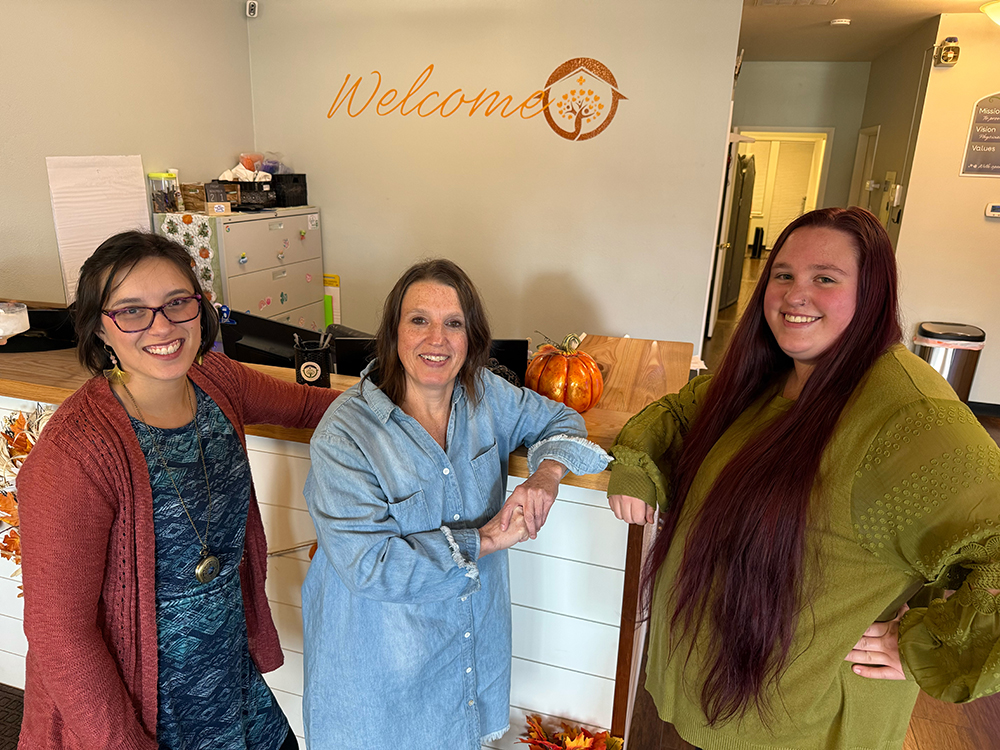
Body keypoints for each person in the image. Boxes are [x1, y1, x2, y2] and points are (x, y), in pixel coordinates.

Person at [607, 207, 1000, 750]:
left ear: (873, 295)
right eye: (783, 274)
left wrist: (924, 641)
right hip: (723, 706)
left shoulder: (908, 417)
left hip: (800, 728)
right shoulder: (776, 376)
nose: (795, 294)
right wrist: (636, 467)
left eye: (826, 279)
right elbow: (683, 412)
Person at [17, 231, 340, 750]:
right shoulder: (75, 456)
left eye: (176, 303)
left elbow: (310, 408)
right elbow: (61, 638)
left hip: (226, 677)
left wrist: (419, 393)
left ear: (201, 307)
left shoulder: (215, 380)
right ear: (100, 328)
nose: (162, 326)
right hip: (136, 710)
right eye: (131, 311)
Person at [301, 259, 609, 749]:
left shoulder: (485, 395)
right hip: (379, 676)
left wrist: (545, 477)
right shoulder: (346, 433)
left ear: (472, 338)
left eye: (454, 323)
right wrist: (486, 539)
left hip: (464, 656)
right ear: (393, 332)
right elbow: (371, 567)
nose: (436, 339)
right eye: (419, 320)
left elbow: (564, 420)